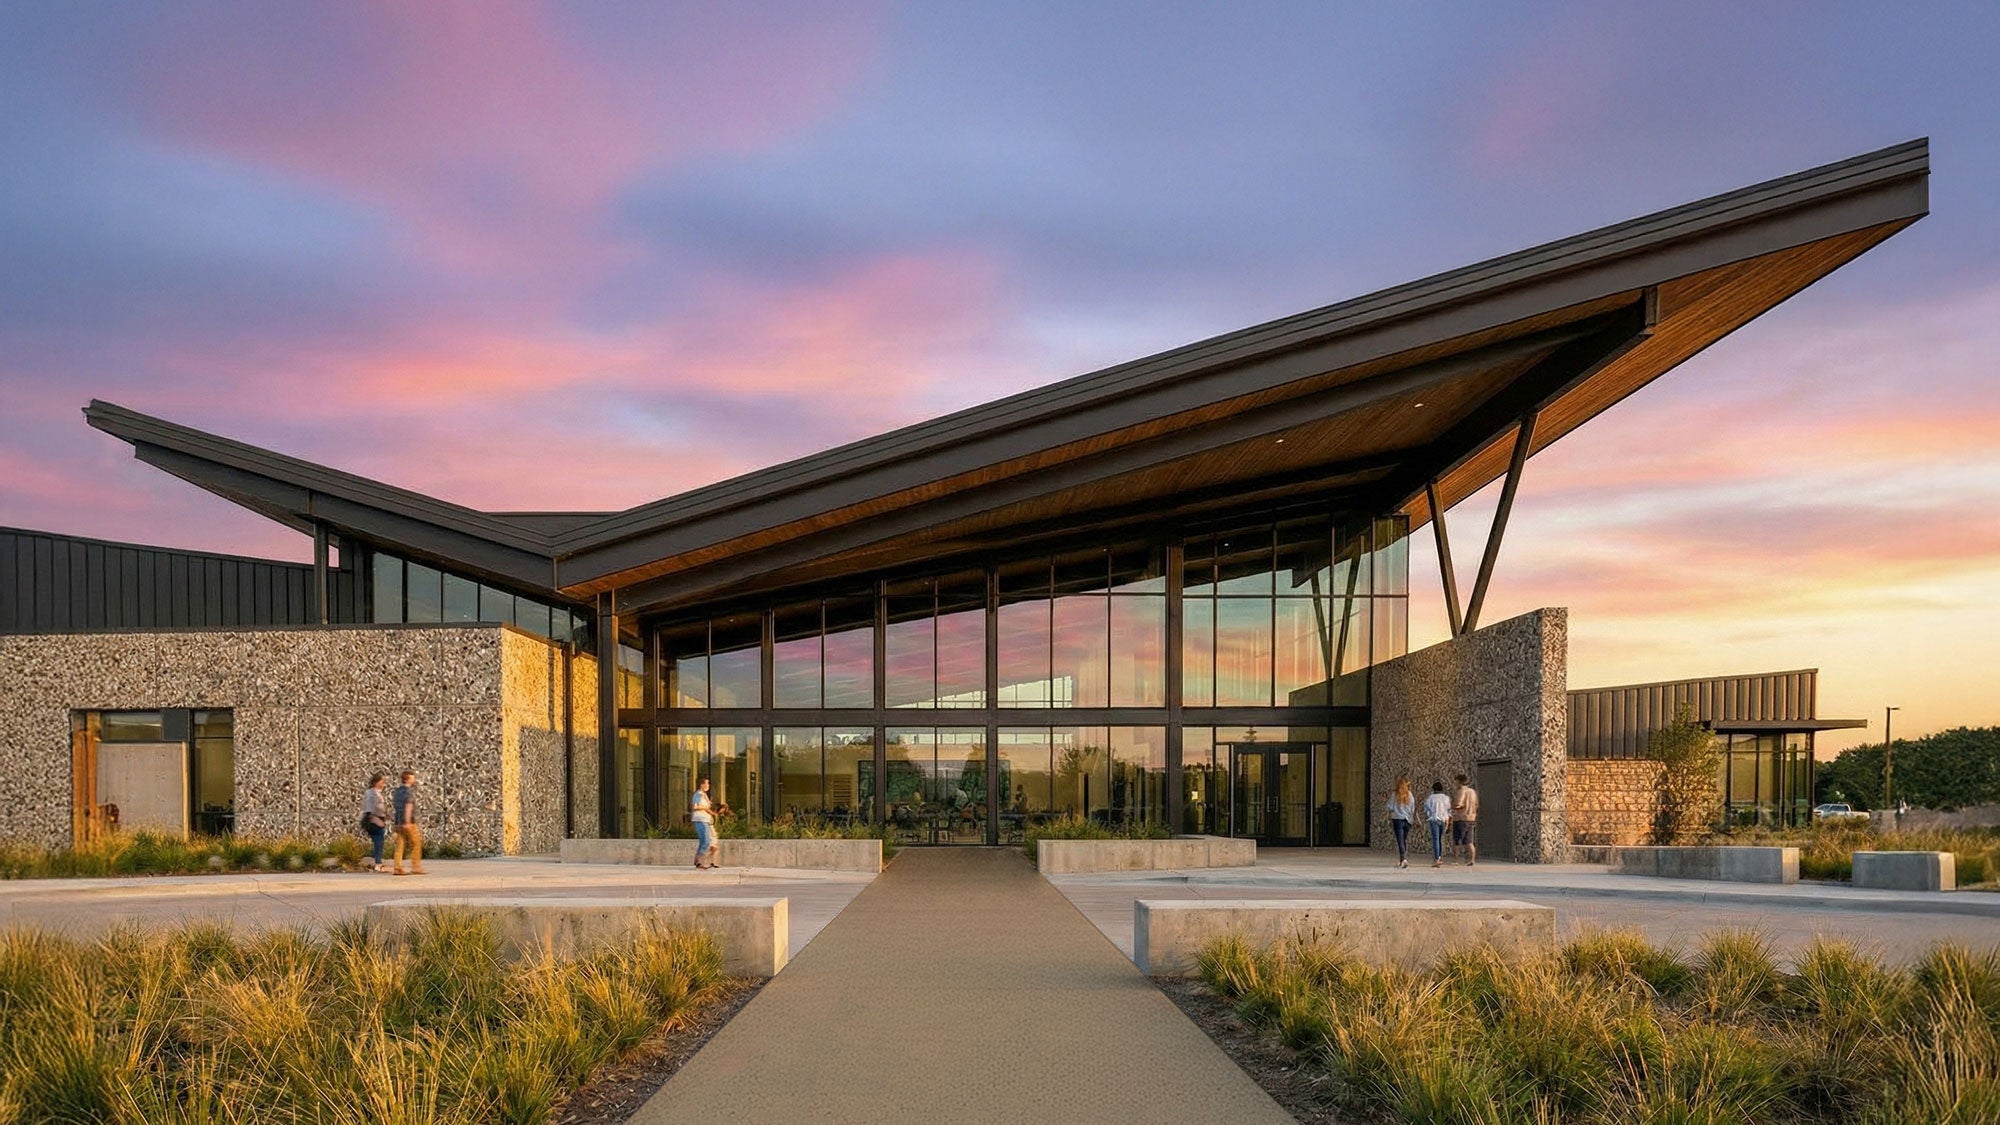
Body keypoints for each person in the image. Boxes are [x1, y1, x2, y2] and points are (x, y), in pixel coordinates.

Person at [390, 770, 424, 875]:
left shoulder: (397, 791)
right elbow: (408, 806)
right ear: (408, 779)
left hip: (397, 821)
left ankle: (397, 867)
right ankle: (416, 867)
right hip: (408, 822)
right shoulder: (409, 792)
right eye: (412, 778)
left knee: (400, 844)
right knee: (416, 843)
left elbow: (395, 806)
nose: (414, 780)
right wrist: (408, 821)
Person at [359, 772, 391, 872]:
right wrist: (377, 820)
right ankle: (378, 863)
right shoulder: (371, 793)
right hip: (374, 821)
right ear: (377, 782)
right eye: (382, 782)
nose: (384, 784)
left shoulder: (376, 792)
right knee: (378, 842)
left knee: (379, 842)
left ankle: (378, 862)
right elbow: (370, 809)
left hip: (379, 819)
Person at [1385, 775, 1416, 869]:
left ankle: (1403, 859)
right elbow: (1413, 808)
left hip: (1397, 819)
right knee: (1404, 839)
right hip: (1407, 820)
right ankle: (1403, 858)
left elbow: (1389, 807)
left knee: (1400, 840)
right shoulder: (1409, 794)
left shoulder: (1395, 795)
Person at [690, 777, 721, 870]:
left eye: (708, 783)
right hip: (700, 819)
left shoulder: (704, 795)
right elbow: (695, 806)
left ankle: (697, 861)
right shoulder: (698, 794)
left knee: (704, 841)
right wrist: (705, 807)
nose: (708, 785)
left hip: (705, 820)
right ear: (701, 784)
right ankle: (700, 862)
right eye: (706, 783)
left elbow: (706, 808)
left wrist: (713, 813)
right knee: (706, 841)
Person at [1422, 781, 1452, 868]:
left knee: (1435, 839)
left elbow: (1426, 809)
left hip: (1434, 819)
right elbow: (1449, 810)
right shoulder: (1446, 798)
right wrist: (1448, 821)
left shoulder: (1430, 798)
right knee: (1440, 839)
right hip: (1444, 820)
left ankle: (1436, 858)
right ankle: (1440, 856)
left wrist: (1429, 815)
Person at [1452, 772, 1480, 867]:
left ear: (1459, 781)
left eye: (1455, 781)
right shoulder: (1473, 792)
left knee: (1456, 840)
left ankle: (1455, 859)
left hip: (1460, 818)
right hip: (1471, 818)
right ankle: (1472, 859)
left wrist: (1451, 807)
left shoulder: (1460, 791)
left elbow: (1458, 804)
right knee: (1469, 841)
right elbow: (1476, 805)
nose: (1454, 783)